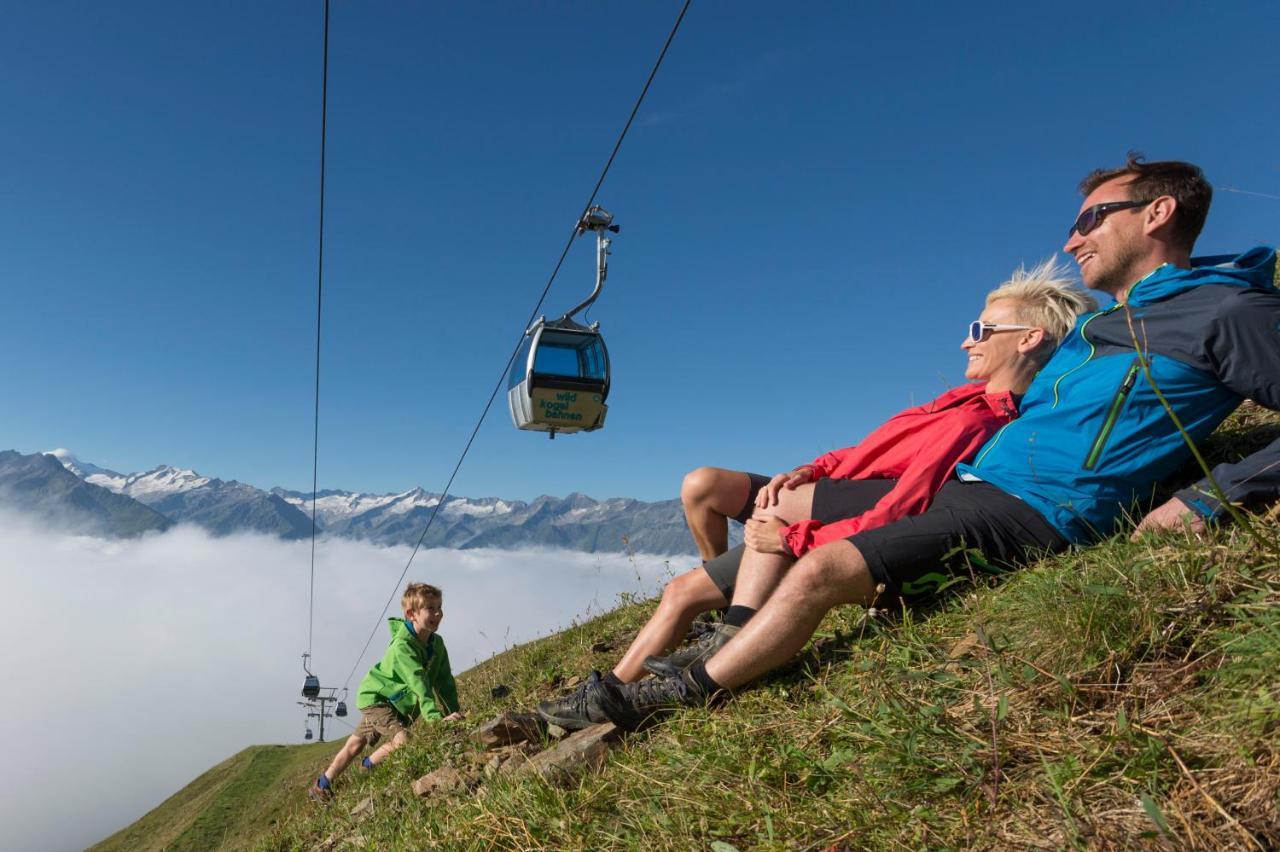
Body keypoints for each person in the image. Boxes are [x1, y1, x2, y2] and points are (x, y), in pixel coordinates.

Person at [589, 154, 1280, 730]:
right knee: (794, 515)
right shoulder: (1100, 330)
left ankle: (679, 694)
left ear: (1157, 213)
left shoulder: (1229, 311)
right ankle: (727, 627)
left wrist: (1209, 497)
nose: (1073, 241)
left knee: (822, 571)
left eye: (1090, 219)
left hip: (1034, 510)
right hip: (972, 488)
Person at [538, 263, 1097, 729]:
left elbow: (907, 503)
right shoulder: (952, 400)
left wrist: (797, 535)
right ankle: (637, 674)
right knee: (697, 515)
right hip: (827, 494)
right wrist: (808, 469)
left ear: (1029, 339)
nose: (965, 339)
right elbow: (863, 454)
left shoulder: (981, 420)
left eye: (980, 329)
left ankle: (701, 652)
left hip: (835, 514)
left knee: (720, 558)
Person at [309, 582, 462, 801]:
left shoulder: (437, 644)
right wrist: (436, 720)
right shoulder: (403, 645)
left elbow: (444, 680)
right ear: (411, 614)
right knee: (403, 739)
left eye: (439, 607)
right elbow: (419, 682)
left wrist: (453, 713)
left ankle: (322, 784)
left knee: (355, 744)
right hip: (376, 698)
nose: (438, 613)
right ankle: (369, 765)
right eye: (430, 608)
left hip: (396, 703)